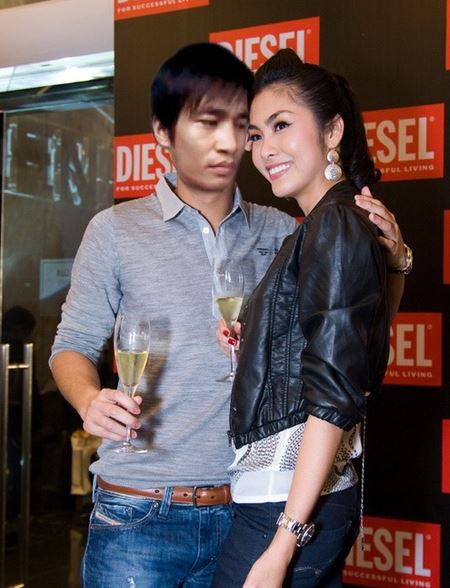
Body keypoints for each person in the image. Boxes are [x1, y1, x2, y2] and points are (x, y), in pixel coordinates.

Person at [50, 43, 408, 587]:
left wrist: (396, 264)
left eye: (241, 127)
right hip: (139, 510)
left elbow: (349, 348)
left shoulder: (286, 227)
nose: (227, 140)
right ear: (164, 134)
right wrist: (88, 399)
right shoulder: (114, 230)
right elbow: (71, 345)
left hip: (248, 505)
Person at [212, 48, 411, 588]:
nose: (265, 149)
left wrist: (283, 543)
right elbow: (352, 345)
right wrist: (257, 342)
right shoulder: (327, 223)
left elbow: (337, 393)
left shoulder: (333, 225)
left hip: (285, 505)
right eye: (256, 135)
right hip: (290, 498)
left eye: (282, 125)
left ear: (332, 131)